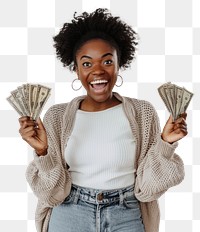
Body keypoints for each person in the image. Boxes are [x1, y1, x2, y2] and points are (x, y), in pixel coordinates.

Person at [18, 8, 188, 232]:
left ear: (120, 64)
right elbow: (51, 194)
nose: (98, 71)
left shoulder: (142, 113)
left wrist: (165, 143)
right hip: (70, 212)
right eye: (87, 64)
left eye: (107, 61)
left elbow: (147, 189)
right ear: (75, 69)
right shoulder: (56, 116)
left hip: (125, 213)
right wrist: (43, 153)